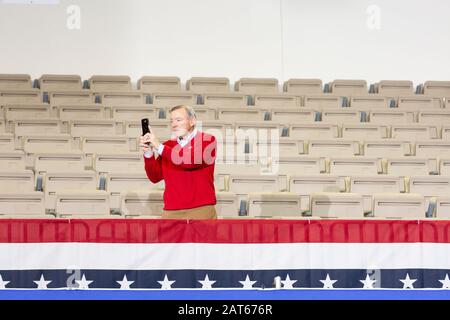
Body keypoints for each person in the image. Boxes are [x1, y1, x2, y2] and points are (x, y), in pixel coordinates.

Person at [139, 105, 217, 219]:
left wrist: (159, 146)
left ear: (192, 121)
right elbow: (154, 177)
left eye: (178, 120)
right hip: (171, 211)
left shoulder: (207, 140)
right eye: (171, 121)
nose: (174, 124)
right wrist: (148, 153)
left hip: (201, 210)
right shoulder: (167, 146)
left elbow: (189, 161)